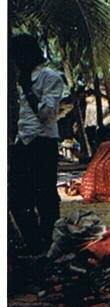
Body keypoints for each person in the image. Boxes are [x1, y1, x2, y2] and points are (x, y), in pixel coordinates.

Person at [9, 34, 64, 254]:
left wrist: (28, 89)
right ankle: (35, 243)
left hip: (42, 142)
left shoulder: (50, 77)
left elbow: (46, 114)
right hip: (23, 142)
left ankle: (48, 245)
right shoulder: (19, 80)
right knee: (17, 198)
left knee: (45, 197)